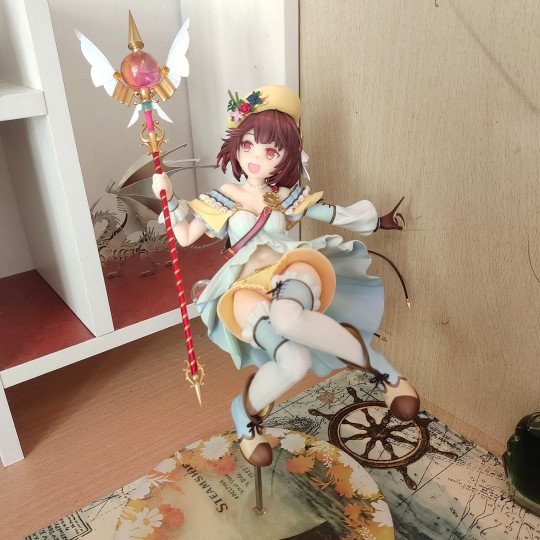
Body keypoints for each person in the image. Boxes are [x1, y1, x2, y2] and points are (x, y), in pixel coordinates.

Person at [152, 85, 419, 467]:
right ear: (236, 145)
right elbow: (184, 236)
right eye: (248, 145)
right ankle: (244, 415)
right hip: (244, 283)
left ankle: (386, 373)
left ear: (287, 156)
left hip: (290, 267)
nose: (255, 158)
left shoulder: (285, 197)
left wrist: (377, 221)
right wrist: (168, 198)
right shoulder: (222, 197)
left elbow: (332, 213)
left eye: (270, 151)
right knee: (294, 362)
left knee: (288, 317)